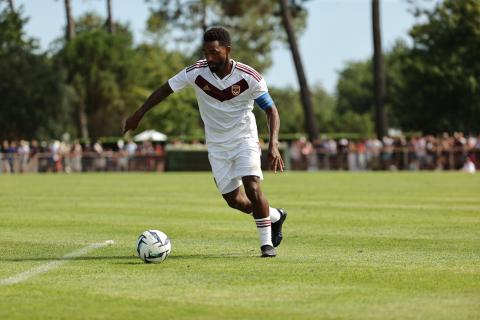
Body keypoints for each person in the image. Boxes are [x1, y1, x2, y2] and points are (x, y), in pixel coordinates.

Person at [123, 26, 287, 257]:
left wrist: (274, 144)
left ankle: (265, 245)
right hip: (217, 145)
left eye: (214, 52)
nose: (208, 58)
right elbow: (165, 90)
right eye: (205, 52)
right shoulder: (195, 72)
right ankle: (275, 216)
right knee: (235, 201)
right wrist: (139, 114)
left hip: (244, 139)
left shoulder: (249, 76)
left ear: (227, 50)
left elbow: (271, 110)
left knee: (252, 186)